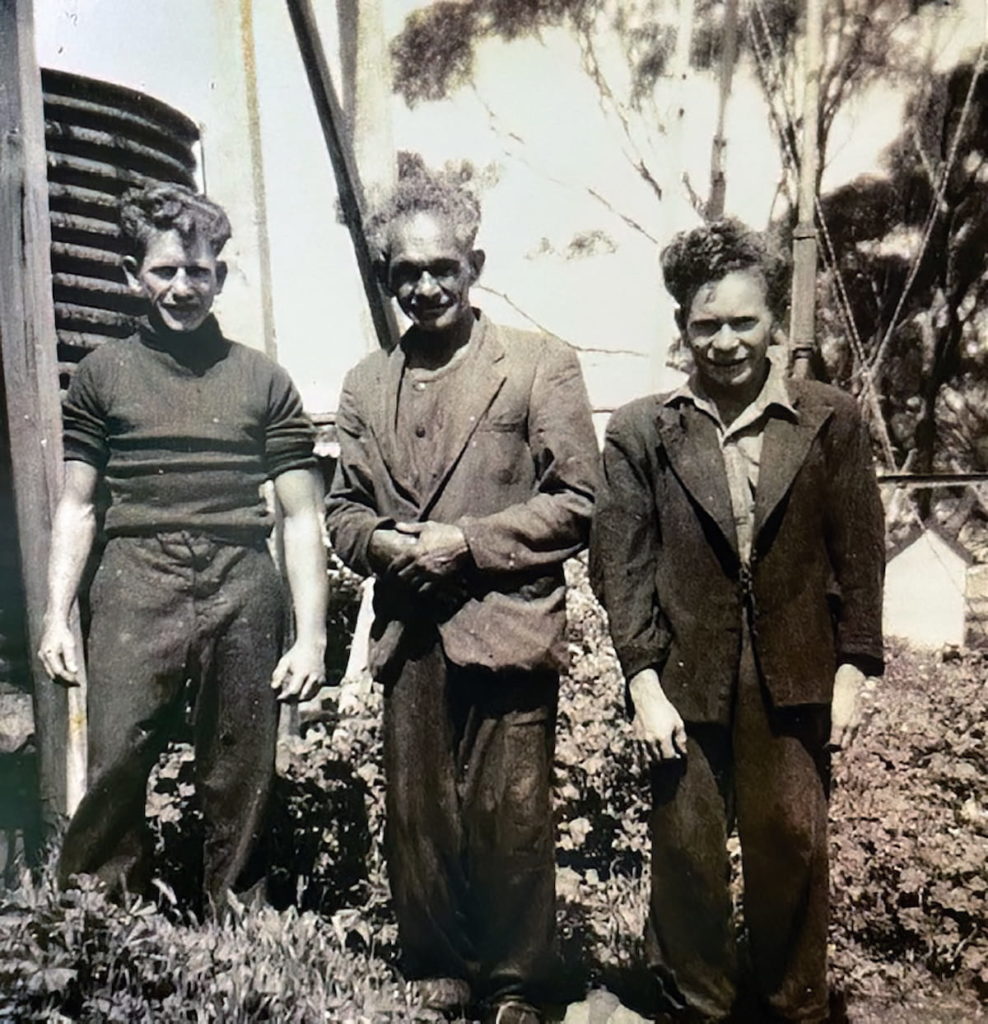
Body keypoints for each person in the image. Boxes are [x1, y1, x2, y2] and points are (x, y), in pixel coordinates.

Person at [590, 219, 885, 1023]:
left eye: (743, 322)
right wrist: (643, 682)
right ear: (682, 327)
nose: (724, 342)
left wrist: (854, 669)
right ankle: (700, 1005)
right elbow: (620, 563)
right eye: (704, 324)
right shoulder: (644, 428)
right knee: (686, 851)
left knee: (791, 838)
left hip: (796, 668)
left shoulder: (830, 419)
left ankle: (795, 1005)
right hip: (685, 669)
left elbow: (860, 552)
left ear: (774, 324)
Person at [326, 170, 598, 1024]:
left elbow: (579, 501)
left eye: (442, 266)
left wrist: (469, 543)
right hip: (411, 631)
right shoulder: (366, 384)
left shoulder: (540, 365)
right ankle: (437, 970)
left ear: (474, 263)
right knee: (420, 817)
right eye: (405, 272)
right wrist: (382, 544)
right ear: (386, 277)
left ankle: (519, 983)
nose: (425, 286)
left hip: (508, 623)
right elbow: (342, 511)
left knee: (512, 813)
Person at [38, 183, 328, 912]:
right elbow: (76, 505)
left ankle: (242, 924)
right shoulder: (102, 374)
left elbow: (301, 518)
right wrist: (54, 616)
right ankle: (100, 924)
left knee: (241, 766)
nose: (182, 287)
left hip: (240, 578)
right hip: (135, 575)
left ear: (220, 277)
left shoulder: (263, 379)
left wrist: (314, 635)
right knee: (117, 756)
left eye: (199, 272)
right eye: (165, 270)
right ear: (134, 275)